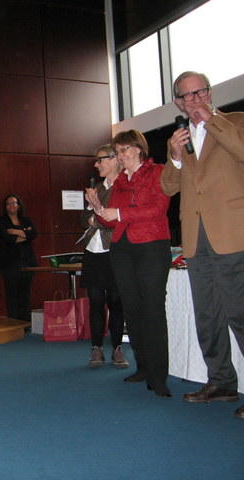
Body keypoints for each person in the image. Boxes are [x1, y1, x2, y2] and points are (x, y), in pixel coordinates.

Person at [161, 71, 244, 417]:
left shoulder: (235, 122)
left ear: (210, 93)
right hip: (196, 239)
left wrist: (212, 122)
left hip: (232, 232)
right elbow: (168, 187)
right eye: (186, 96)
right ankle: (221, 381)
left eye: (199, 93)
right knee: (207, 315)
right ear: (178, 103)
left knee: (240, 311)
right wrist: (174, 156)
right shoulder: (179, 139)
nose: (194, 100)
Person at [92, 130, 171, 398]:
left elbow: (158, 208)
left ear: (138, 149)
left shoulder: (157, 172)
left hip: (151, 245)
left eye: (124, 150)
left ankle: (159, 377)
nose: (120, 155)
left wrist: (119, 213)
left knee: (153, 310)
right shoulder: (120, 182)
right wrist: (98, 209)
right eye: (118, 151)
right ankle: (143, 368)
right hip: (122, 249)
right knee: (132, 310)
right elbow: (109, 220)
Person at [81, 145, 127, 368]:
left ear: (114, 159)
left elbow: (116, 218)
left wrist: (97, 215)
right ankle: (96, 348)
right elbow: (85, 218)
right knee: (96, 300)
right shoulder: (96, 188)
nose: (96, 165)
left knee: (116, 300)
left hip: (115, 249)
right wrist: (94, 216)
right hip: (93, 250)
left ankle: (117, 347)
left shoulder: (125, 186)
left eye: (100, 160)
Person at [0, 195, 37, 322]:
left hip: (27, 261)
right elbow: (7, 239)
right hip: (9, 262)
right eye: (8, 203)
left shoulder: (26, 220)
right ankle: (14, 323)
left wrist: (15, 232)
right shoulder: (1, 221)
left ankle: (26, 323)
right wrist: (25, 234)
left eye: (14, 203)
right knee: (12, 294)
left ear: (19, 205)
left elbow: (33, 234)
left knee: (25, 294)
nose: (11, 206)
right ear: (5, 207)